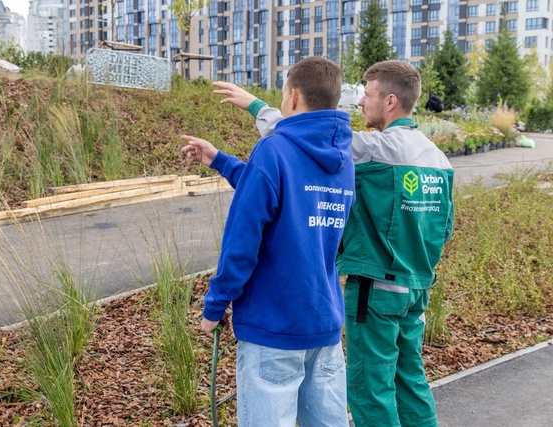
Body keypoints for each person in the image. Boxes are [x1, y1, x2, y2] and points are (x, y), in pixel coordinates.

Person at [203, 60, 454, 427]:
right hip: (413, 288)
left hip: (375, 288)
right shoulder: (438, 158)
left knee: (371, 388)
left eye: (366, 94)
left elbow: (300, 140)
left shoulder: (368, 151)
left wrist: (255, 106)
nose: (359, 104)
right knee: (410, 379)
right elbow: (444, 228)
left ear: (390, 101)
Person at [181, 57, 355, 426]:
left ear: (292, 96)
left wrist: (215, 306)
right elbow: (286, 194)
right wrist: (220, 160)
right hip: (323, 323)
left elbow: (241, 241)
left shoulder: (274, 150)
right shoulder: (343, 160)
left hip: (273, 326)